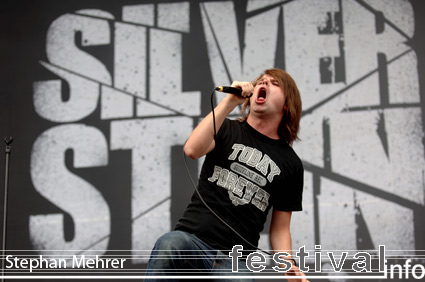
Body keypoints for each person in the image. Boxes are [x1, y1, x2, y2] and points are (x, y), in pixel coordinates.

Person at [145, 68, 308, 282]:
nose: (264, 84)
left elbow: (280, 229)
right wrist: (230, 101)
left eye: (274, 83)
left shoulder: (291, 163)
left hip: (236, 261)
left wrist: (288, 266)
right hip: (192, 241)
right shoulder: (225, 127)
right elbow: (192, 150)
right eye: (261, 81)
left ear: (287, 104)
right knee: (170, 244)